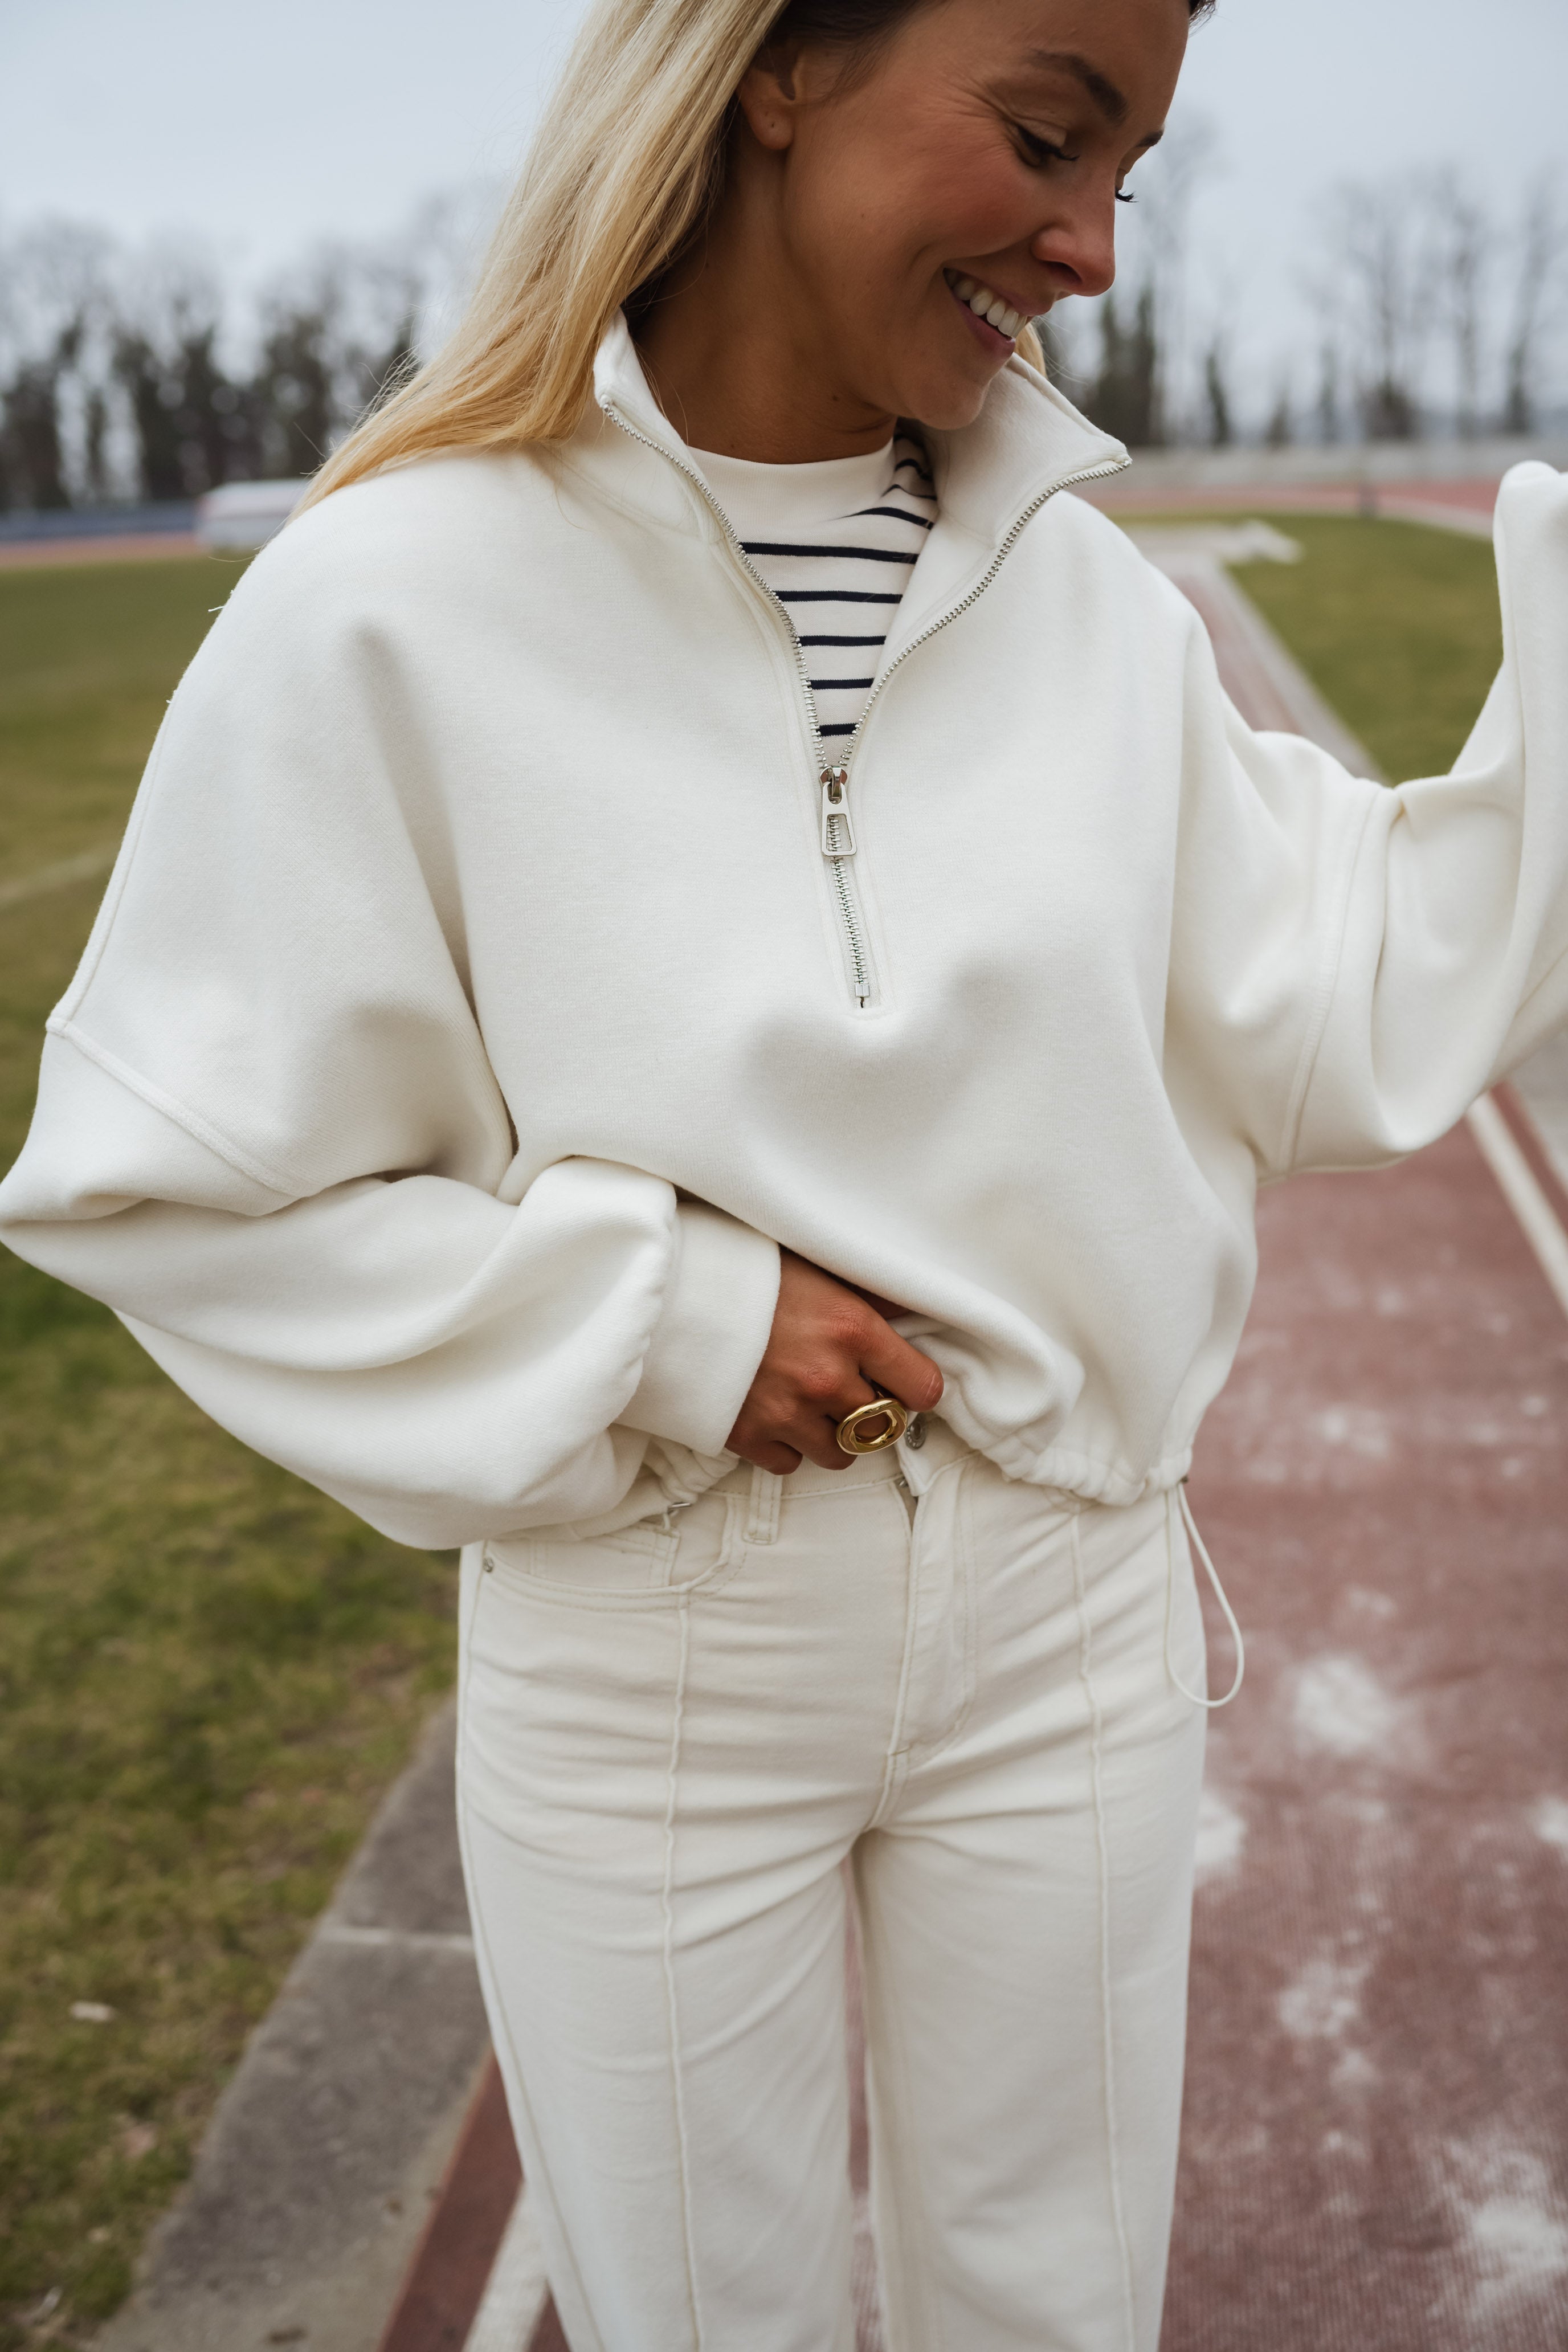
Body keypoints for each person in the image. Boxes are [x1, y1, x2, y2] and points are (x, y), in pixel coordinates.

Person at [2, 0, 1565, 2343]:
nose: (1096, 249)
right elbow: (163, 1184)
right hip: (650, 1648)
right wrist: (670, 1321)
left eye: (1134, 168)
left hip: (1071, 1614)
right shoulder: (386, 599)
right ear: (775, 61)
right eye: (1051, 137)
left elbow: (1344, 996)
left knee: (1050, 2315)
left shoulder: (1099, 621)